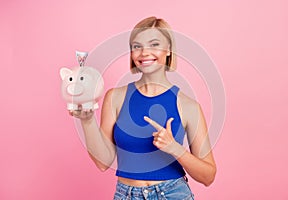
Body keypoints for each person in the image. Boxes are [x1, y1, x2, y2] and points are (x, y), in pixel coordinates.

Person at [70, 16, 216, 200]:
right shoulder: (115, 98)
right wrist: (87, 120)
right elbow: (102, 163)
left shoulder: (188, 107)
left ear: (168, 50)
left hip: (173, 194)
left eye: (154, 44)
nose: (144, 52)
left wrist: (174, 148)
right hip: (126, 194)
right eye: (137, 46)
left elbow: (208, 176)